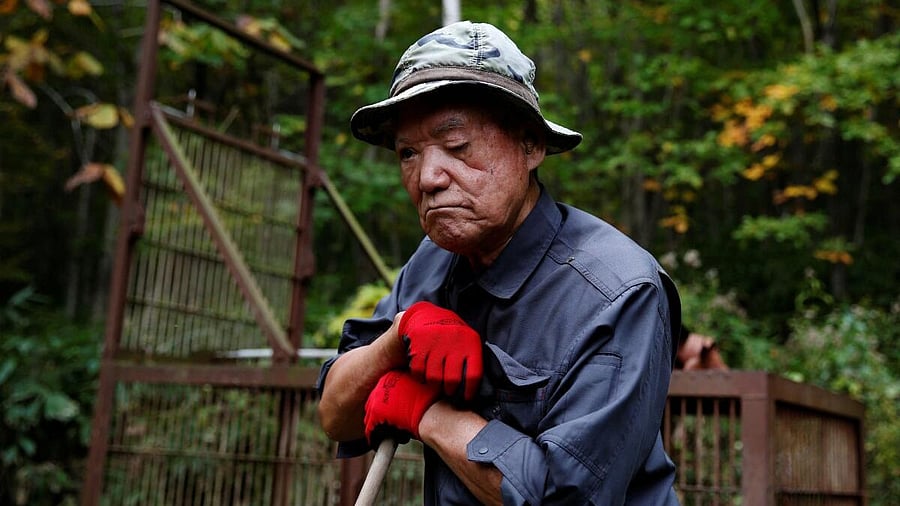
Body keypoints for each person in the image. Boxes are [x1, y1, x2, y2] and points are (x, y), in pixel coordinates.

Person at [317, 20, 682, 505]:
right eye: (408, 153)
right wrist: (396, 338)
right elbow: (335, 416)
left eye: (457, 146)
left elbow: (566, 497)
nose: (428, 178)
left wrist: (427, 414)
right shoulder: (432, 263)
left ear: (531, 145)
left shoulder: (618, 291)